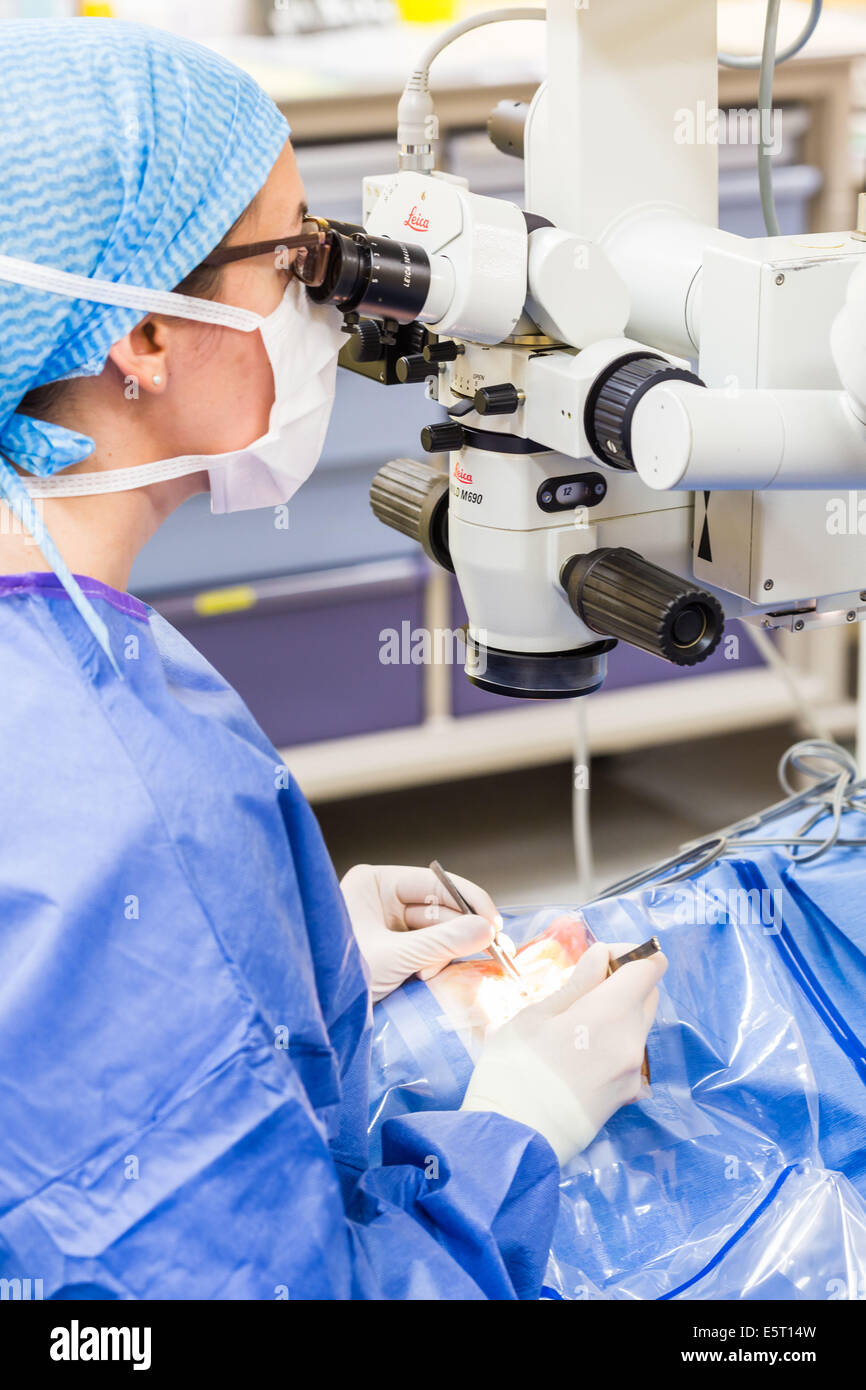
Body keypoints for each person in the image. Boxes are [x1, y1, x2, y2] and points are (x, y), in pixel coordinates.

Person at [0, 18, 666, 1300]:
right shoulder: (136, 810)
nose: (330, 302)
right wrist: (521, 1122)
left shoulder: (68, 667)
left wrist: (289, 962)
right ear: (139, 335)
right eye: (295, 254)